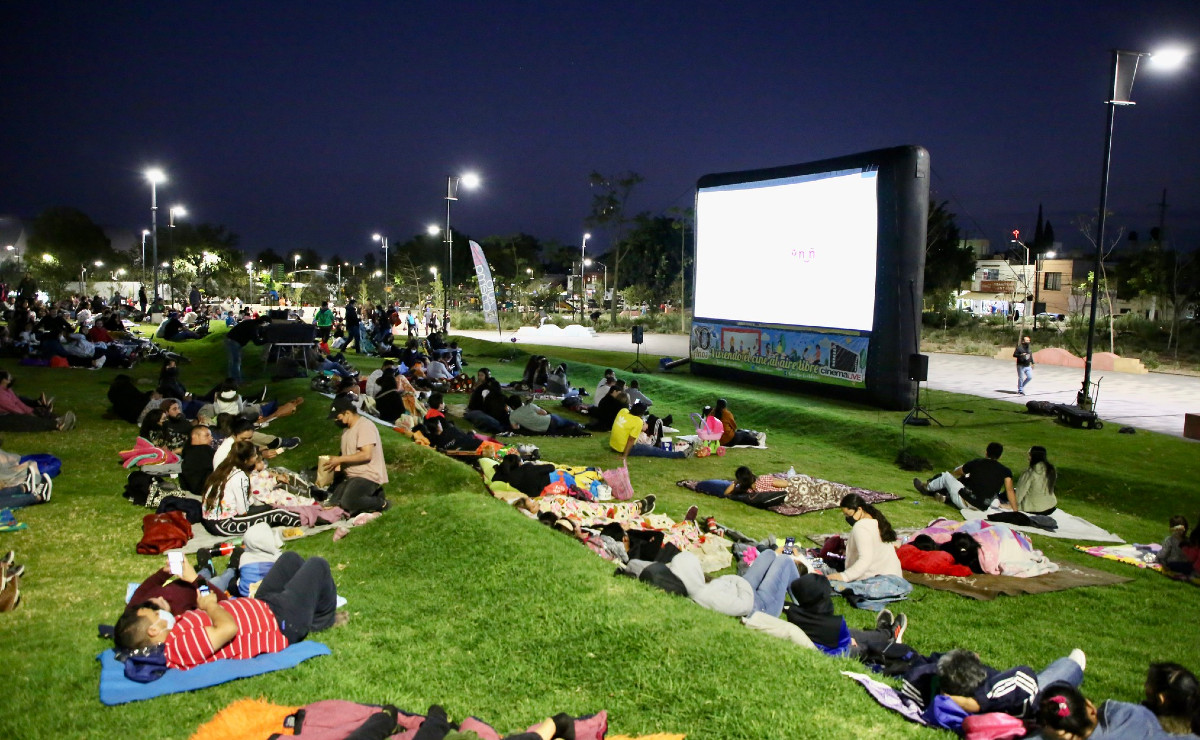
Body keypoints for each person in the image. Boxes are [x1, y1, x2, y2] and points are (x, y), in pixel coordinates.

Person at [113, 551, 344, 667]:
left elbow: (218, 601)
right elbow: (228, 628)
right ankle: (320, 621)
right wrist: (211, 606)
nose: (160, 612)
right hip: (280, 622)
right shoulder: (179, 647)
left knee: (290, 559)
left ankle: (307, 606)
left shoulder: (178, 633)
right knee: (318, 565)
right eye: (156, 614)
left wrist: (196, 580)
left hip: (262, 605)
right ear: (153, 630)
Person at [903, 648, 1087, 722]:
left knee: (1049, 683)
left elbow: (1022, 677)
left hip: (1019, 696)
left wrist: (975, 703)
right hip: (1019, 700)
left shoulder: (1004, 689)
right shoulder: (933, 683)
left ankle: (1071, 666)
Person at [1035, 664, 1200, 740]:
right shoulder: (1136, 716)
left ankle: (1072, 664)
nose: (1144, 686)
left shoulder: (1130, 714)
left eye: (1148, 683)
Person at [825, 493, 911, 607]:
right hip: (895, 577)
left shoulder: (861, 527)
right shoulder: (876, 521)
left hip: (879, 579)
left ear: (859, 509)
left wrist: (844, 577)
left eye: (848, 514)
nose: (847, 518)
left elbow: (865, 560)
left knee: (827, 580)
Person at [201, 441, 304, 536]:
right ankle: (306, 518)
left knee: (267, 508)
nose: (256, 457)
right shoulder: (239, 476)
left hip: (210, 520)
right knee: (277, 512)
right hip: (225, 524)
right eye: (254, 455)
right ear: (246, 460)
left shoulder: (223, 468)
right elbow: (243, 510)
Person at [323, 396, 390, 514]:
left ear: (347, 413)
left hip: (367, 475)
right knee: (333, 503)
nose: (336, 421)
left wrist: (340, 459)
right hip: (351, 477)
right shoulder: (346, 431)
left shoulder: (365, 426)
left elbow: (366, 455)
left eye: (338, 417)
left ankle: (381, 502)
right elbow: (347, 455)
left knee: (349, 502)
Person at [913, 442, 1015, 511]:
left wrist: (953, 476)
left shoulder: (977, 462)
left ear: (986, 452)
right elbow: (1010, 491)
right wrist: (1015, 510)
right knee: (993, 498)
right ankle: (945, 497)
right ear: (1000, 456)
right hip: (983, 507)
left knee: (946, 477)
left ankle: (926, 488)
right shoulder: (1006, 471)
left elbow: (959, 472)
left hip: (966, 501)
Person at [676, 466, 789, 508]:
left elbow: (726, 493)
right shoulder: (763, 479)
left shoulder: (748, 491)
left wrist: (735, 483)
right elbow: (786, 484)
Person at [0, 370, 76, 432]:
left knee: (36, 412)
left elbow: (19, 403)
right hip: (4, 417)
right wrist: (30, 415)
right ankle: (57, 425)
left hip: (11, 413)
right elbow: (13, 408)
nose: (11, 380)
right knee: (24, 420)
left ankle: (58, 419)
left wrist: (31, 411)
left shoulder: (8, 390)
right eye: (8, 378)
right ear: (2, 380)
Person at [610, 402, 687, 459]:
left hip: (614, 445)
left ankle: (670, 446)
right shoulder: (637, 421)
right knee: (654, 450)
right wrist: (624, 456)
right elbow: (631, 440)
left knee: (652, 420)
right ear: (641, 414)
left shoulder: (623, 411)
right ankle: (680, 455)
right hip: (624, 448)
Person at [508, 394, 587, 436]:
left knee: (563, 428)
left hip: (546, 430)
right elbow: (544, 413)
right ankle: (578, 425)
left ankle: (575, 428)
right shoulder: (530, 406)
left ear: (512, 406)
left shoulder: (512, 416)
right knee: (564, 421)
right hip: (551, 420)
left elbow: (516, 428)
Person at [1011, 445, 1058, 514]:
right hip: (1050, 506)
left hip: (1034, 509)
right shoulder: (1051, 470)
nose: (1028, 458)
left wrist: (1011, 505)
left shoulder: (1030, 472)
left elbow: (1020, 492)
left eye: (1029, 455)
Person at [224, 315, 269, 384]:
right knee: (236, 361)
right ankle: (237, 381)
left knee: (234, 361)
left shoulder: (251, 323)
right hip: (234, 341)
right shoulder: (253, 327)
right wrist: (267, 340)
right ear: (264, 322)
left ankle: (233, 379)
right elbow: (256, 342)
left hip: (232, 340)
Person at [180, 425, 216, 496]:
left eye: (210, 436)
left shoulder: (187, 451)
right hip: (205, 490)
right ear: (194, 436)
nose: (211, 439)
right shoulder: (206, 451)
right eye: (207, 436)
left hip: (190, 490)